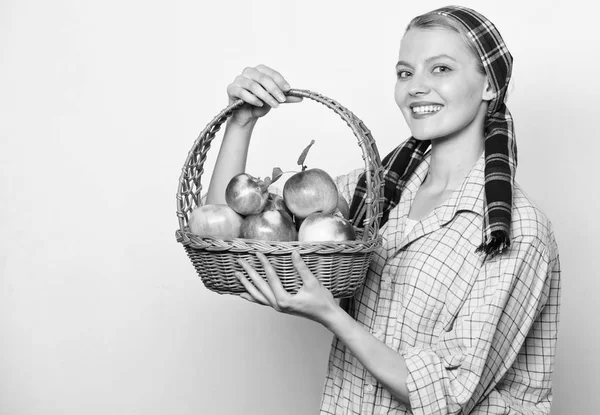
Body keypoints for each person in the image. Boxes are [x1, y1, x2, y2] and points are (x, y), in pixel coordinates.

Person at [205, 5, 561, 414]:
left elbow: (448, 393)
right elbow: (224, 232)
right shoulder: (375, 193)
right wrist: (242, 122)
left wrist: (333, 316)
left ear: (489, 85)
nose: (415, 87)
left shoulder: (512, 229)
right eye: (405, 72)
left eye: (441, 69)